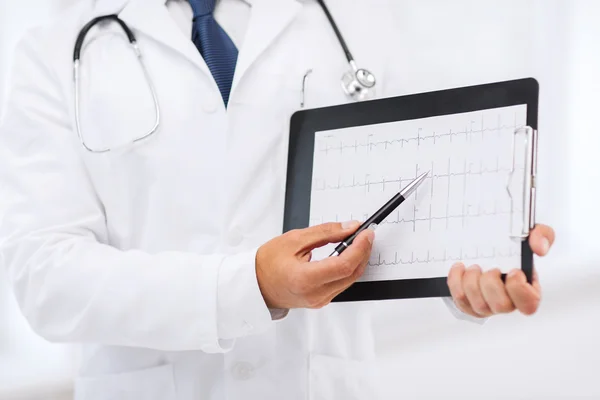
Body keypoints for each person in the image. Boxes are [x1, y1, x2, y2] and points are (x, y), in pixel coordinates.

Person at [0, 0, 555, 399]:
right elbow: (46, 278)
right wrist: (251, 287)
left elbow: (419, 192)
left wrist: (472, 275)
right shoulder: (54, 50)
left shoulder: (356, 18)